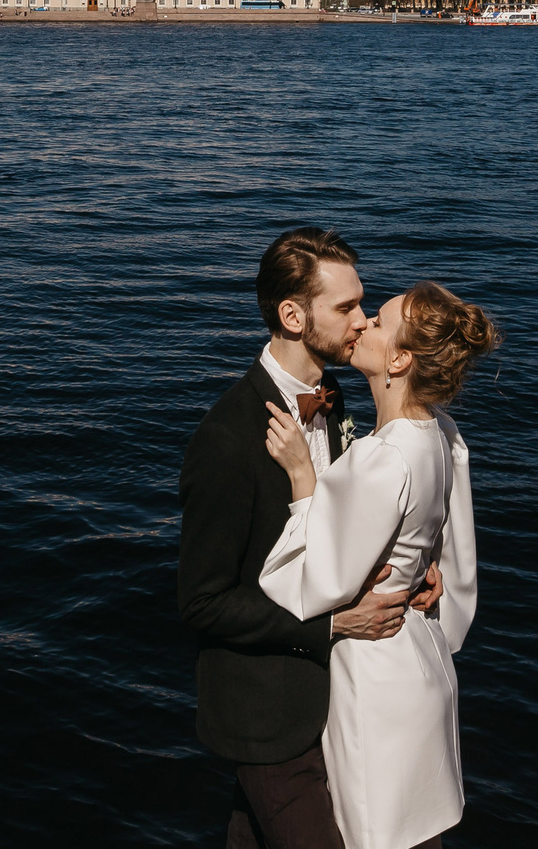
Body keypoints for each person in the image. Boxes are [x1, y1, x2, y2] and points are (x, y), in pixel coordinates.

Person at [179, 228, 444, 849]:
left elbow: (341, 527)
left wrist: (408, 570)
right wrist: (332, 626)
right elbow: (202, 602)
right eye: (346, 307)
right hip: (270, 716)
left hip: (340, 708)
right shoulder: (227, 439)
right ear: (293, 317)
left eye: (363, 304)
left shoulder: (335, 397)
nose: (362, 321)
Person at [257, 280, 499, 849]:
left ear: (398, 360)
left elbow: (311, 582)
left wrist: (303, 480)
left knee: (374, 832)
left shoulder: (382, 458)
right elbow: (454, 551)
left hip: (376, 679)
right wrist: (423, 570)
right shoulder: (442, 434)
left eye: (379, 321)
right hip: (424, 662)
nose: (362, 322)